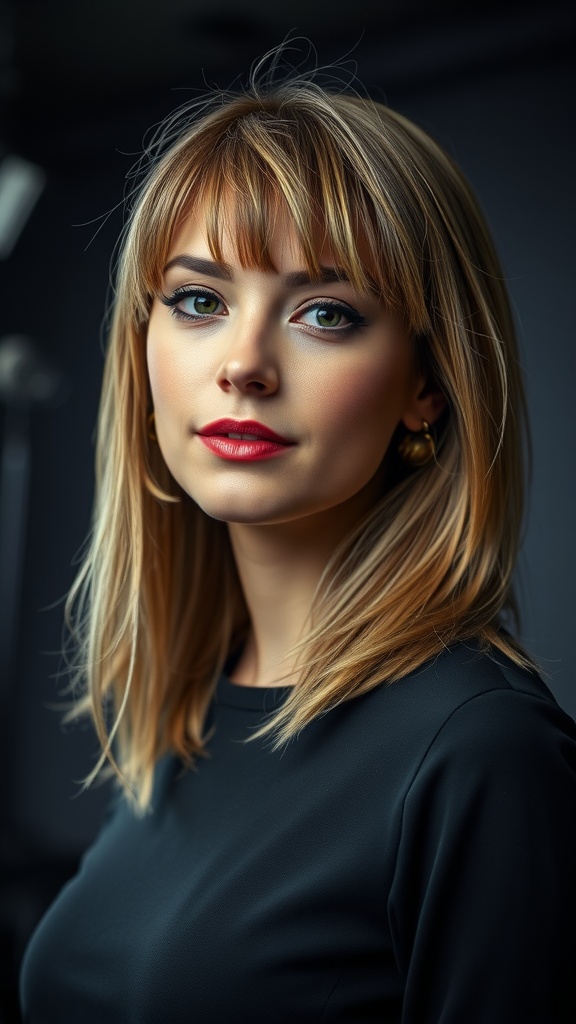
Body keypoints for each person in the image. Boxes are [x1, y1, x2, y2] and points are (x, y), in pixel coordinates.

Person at [20, 62, 576, 1023]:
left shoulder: (482, 754)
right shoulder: (185, 714)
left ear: (427, 385)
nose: (243, 364)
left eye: (326, 313)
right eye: (199, 300)